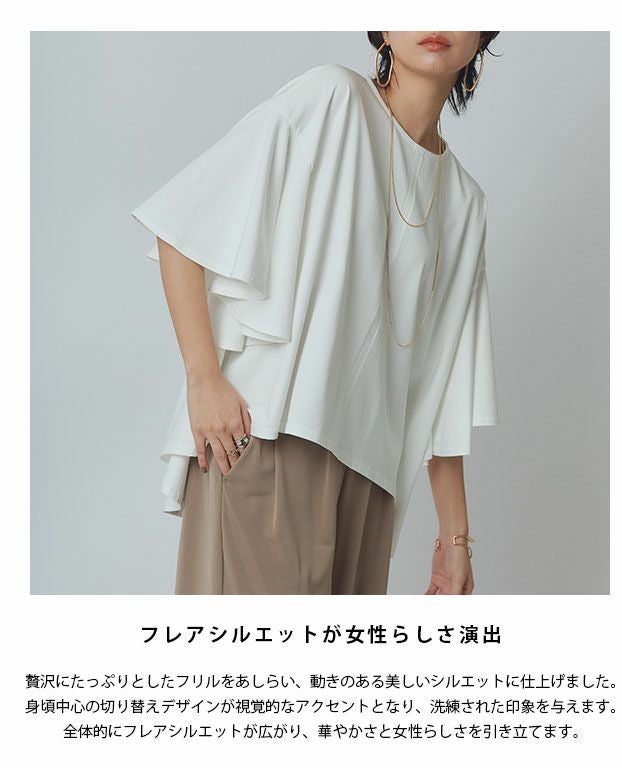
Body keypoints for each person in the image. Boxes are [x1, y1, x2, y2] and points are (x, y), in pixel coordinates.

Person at [130, 31, 501, 595]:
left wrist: (455, 537)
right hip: (270, 438)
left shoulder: (465, 201)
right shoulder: (333, 99)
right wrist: (203, 379)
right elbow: (183, 225)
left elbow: (444, 381)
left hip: (372, 483)